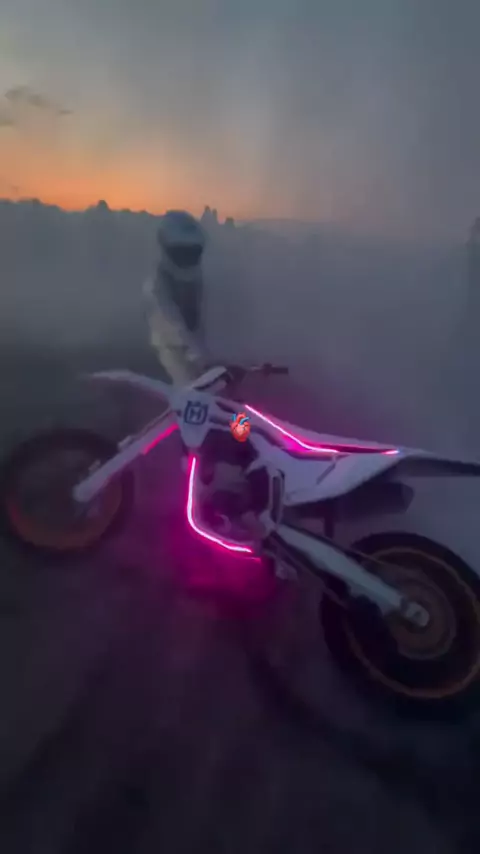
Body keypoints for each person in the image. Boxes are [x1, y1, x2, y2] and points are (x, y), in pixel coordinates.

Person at [143, 210, 210, 384]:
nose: (187, 258)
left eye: (192, 252)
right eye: (181, 252)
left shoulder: (199, 277)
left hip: (198, 354)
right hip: (169, 353)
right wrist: (198, 356)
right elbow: (170, 322)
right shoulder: (156, 285)